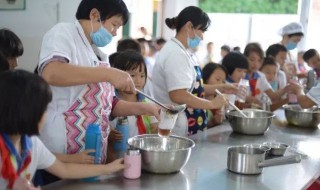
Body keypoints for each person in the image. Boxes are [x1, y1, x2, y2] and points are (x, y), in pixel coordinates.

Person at [37, 0, 159, 167]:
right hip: (63, 144)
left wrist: (146, 108)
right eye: (114, 25)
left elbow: (107, 104)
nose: (115, 33)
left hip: (91, 146)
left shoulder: (97, 54)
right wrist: (108, 74)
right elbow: (51, 72)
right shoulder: (63, 33)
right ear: (94, 15)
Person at [0, 70, 127, 189]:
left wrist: (110, 168)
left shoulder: (31, 144)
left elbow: (64, 169)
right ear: (24, 111)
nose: (46, 115)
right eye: (44, 108)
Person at [152, 6, 229, 136]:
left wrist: (223, 87)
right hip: (177, 125)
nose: (202, 37)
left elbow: (195, 89)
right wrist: (211, 104)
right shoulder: (175, 54)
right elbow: (178, 94)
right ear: (189, 26)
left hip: (187, 123)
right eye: (202, 31)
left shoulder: (183, 51)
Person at [111, 50, 158, 136]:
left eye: (142, 76)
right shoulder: (110, 103)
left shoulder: (148, 103)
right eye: (132, 75)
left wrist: (162, 127)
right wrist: (108, 133)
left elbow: (154, 128)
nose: (138, 81)